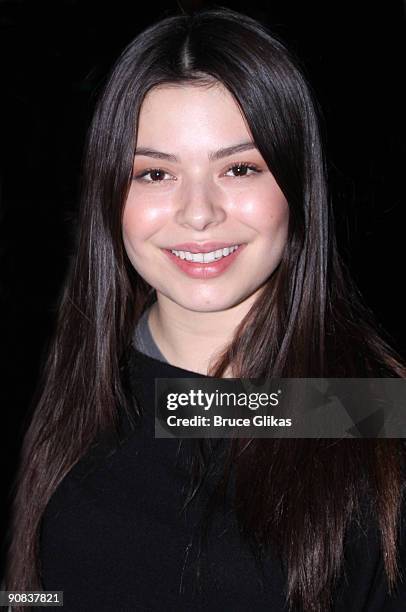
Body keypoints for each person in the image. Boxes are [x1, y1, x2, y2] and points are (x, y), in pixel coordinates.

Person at [4, 7, 406, 611]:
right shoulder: (72, 389)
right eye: (155, 172)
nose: (198, 213)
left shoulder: (366, 414)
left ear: (297, 185)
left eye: (239, 168)